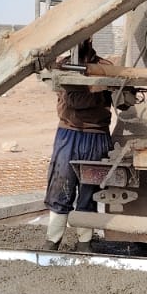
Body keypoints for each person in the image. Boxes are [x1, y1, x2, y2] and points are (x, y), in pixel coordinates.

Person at [44, 38, 114, 250]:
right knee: (60, 188)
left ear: (91, 38)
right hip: (69, 134)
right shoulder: (63, 66)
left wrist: (120, 90)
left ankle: (84, 243)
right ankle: (52, 241)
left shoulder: (106, 67)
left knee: (89, 192)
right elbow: (75, 100)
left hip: (96, 136)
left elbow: (122, 102)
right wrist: (104, 90)